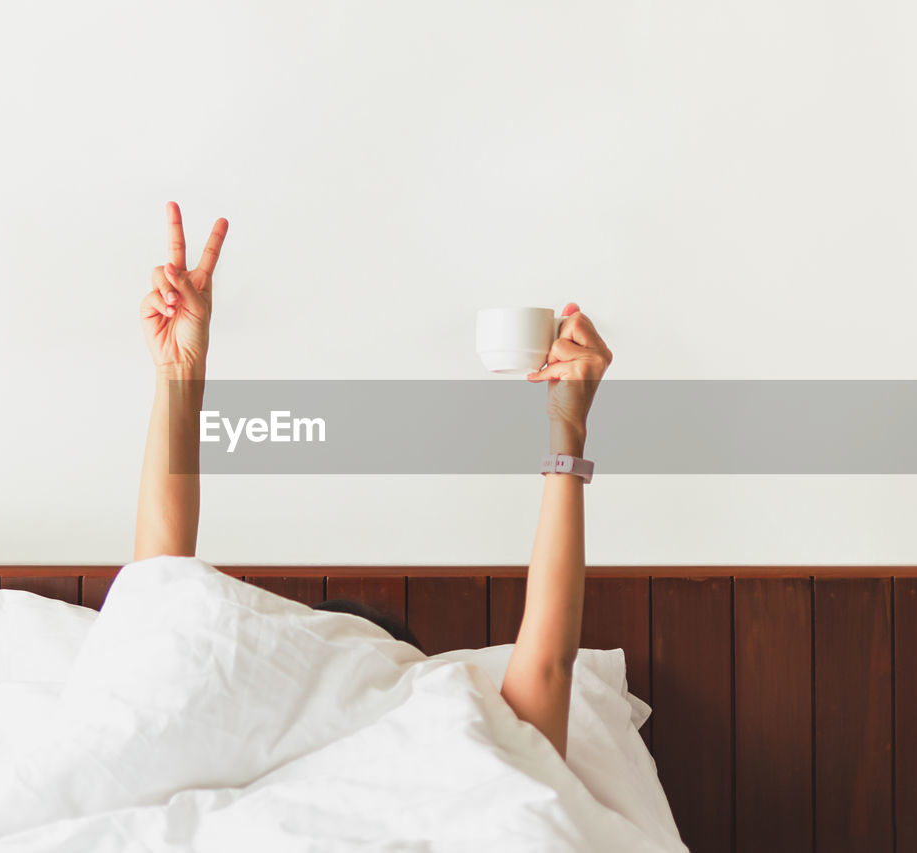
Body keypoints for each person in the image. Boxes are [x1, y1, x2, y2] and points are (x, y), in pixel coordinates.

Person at [134, 201, 612, 758]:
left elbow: (157, 592)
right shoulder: (464, 730)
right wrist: (568, 428)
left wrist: (179, 373)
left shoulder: (230, 709)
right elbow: (549, 666)